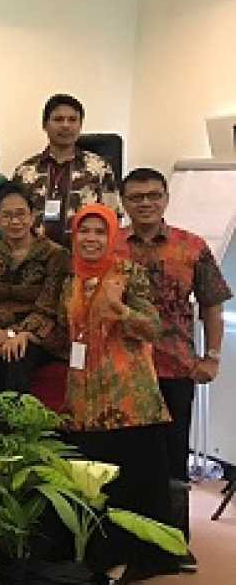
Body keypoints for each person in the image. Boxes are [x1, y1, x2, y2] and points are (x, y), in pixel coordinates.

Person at [58, 203, 180, 582]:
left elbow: (154, 328)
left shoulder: (128, 273)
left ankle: (136, 558)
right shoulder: (70, 278)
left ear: (112, 236)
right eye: (84, 231)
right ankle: (98, 557)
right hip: (83, 396)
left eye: (100, 232)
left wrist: (120, 309)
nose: (91, 239)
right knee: (94, 483)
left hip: (127, 395)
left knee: (130, 482)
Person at [118, 167, 231, 571]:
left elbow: (212, 306)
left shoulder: (191, 246)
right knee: (128, 459)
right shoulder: (110, 246)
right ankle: (128, 542)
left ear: (166, 198)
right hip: (121, 372)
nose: (145, 203)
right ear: (124, 202)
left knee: (173, 460)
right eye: (136, 197)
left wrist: (211, 357)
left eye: (153, 195)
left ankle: (174, 543)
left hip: (175, 369)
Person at [0, 181, 69, 395]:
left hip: (37, 335)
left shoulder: (55, 254)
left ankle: (15, 417)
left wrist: (16, 334)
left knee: (16, 356)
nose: (15, 221)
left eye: (21, 214)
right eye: (6, 215)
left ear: (33, 216)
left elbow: (48, 306)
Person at [13, 93, 120, 246]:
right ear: (44, 125)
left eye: (72, 120)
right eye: (58, 119)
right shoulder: (25, 171)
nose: (65, 125)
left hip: (84, 254)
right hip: (36, 255)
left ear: (80, 125)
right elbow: (15, 218)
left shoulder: (99, 168)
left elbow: (113, 217)